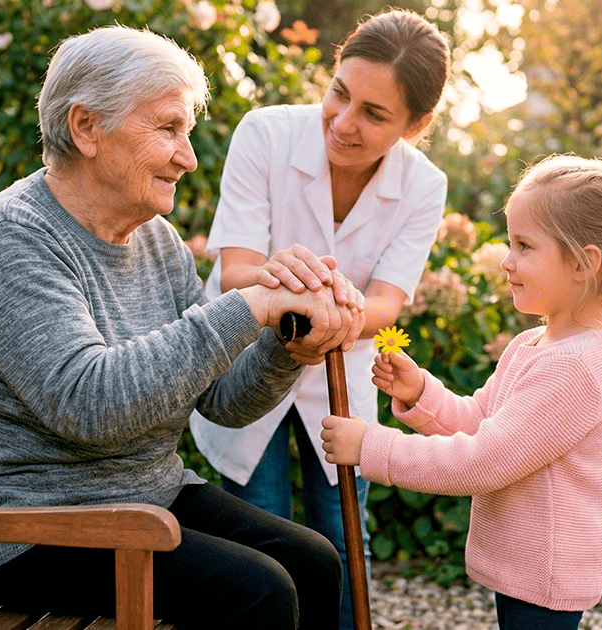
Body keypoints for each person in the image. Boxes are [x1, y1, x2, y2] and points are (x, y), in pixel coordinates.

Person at [0, 25, 367, 630]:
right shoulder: (14, 236)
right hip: (22, 529)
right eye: (167, 129)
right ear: (86, 128)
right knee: (259, 593)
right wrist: (250, 304)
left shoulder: (154, 239)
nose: (187, 157)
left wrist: (287, 343)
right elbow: (89, 404)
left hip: (136, 498)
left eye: (185, 132)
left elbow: (222, 400)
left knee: (312, 561)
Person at [320, 154, 602, 630]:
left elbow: (483, 461)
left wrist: (371, 447)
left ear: (584, 265)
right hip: (523, 571)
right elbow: (480, 420)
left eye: (525, 246)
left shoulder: (577, 368)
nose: (507, 261)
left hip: (545, 581)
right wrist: (422, 391)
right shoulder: (534, 344)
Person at [188, 10, 451, 626]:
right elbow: (237, 273)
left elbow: (388, 300)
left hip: (342, 370)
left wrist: (327, 317)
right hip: (248, 363)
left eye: (375, 114)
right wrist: (314, 310)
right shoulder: (266, 135)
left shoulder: (423, 184)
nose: (344, 122)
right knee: (268, 546)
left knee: (342, 542)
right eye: (340, 93)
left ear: (418, 124)